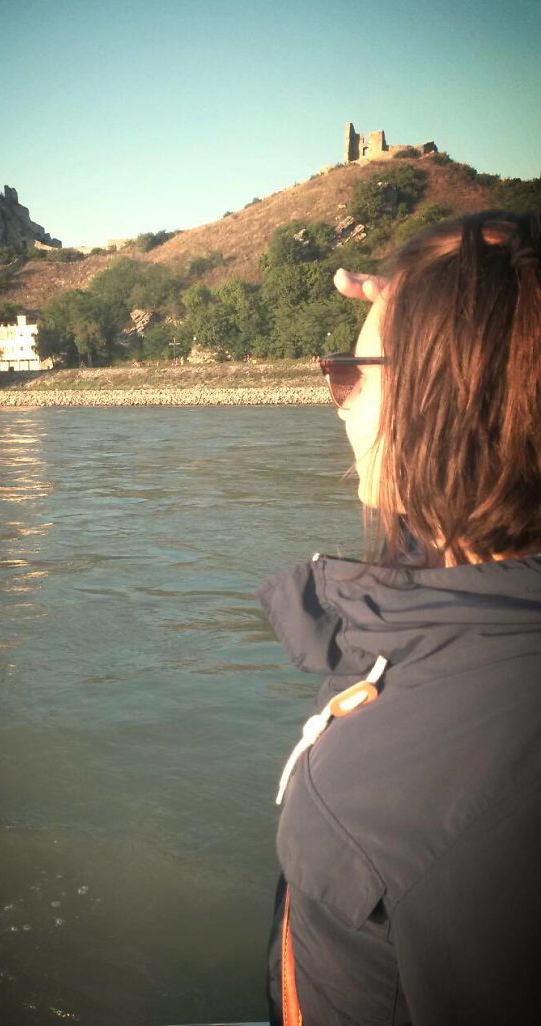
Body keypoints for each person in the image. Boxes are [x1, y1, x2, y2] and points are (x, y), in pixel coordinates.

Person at [257, 211, 541, 1025]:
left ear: (440, 401)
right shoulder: (476, 604)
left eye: (350, 372)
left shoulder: (430, 800)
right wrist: (458, 324)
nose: (338, 400)